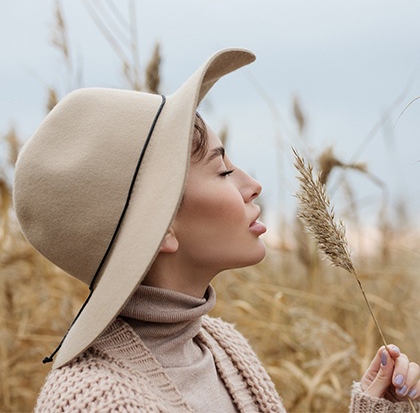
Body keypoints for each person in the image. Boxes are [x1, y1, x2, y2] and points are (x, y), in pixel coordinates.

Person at [14, 48, 419, 412]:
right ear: (162, 227)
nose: (252, 185)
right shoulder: (96, 402)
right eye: (223, 170)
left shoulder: (220, 345)